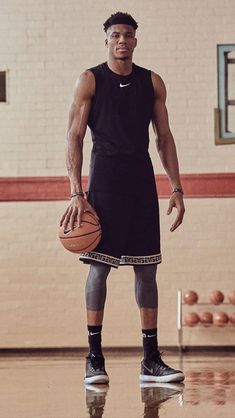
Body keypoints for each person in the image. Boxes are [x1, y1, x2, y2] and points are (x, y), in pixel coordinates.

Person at [60, 11, 185, 384]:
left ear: (135, 39)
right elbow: (73, 137)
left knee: (148, 268)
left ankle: (151, 360)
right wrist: (76, 192)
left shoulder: (152, 82)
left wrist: (176, 187)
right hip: (105, 182)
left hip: (141, 182)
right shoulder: (90, 80)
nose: (122, 41)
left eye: (128, 35)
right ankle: (94, 357)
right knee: (99, 267)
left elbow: (164, 137)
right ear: (107, 40)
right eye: (115, 35)